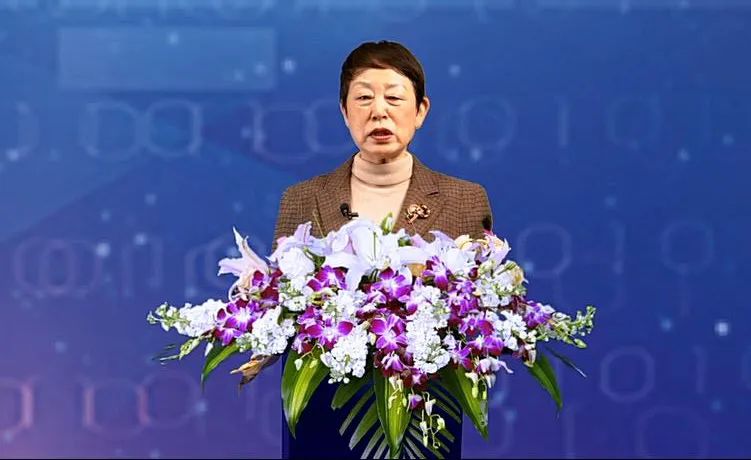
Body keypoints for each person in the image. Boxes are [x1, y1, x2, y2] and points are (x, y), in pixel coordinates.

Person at [272, 40, 494, 459]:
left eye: (394, 98)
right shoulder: (302, 199)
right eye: (363, 98)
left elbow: (480, 311)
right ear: (344, 111)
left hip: (425, 412)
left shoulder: (465, 199)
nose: (379, 111)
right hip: (323, 412)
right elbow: (281, 306)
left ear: (421, 110)